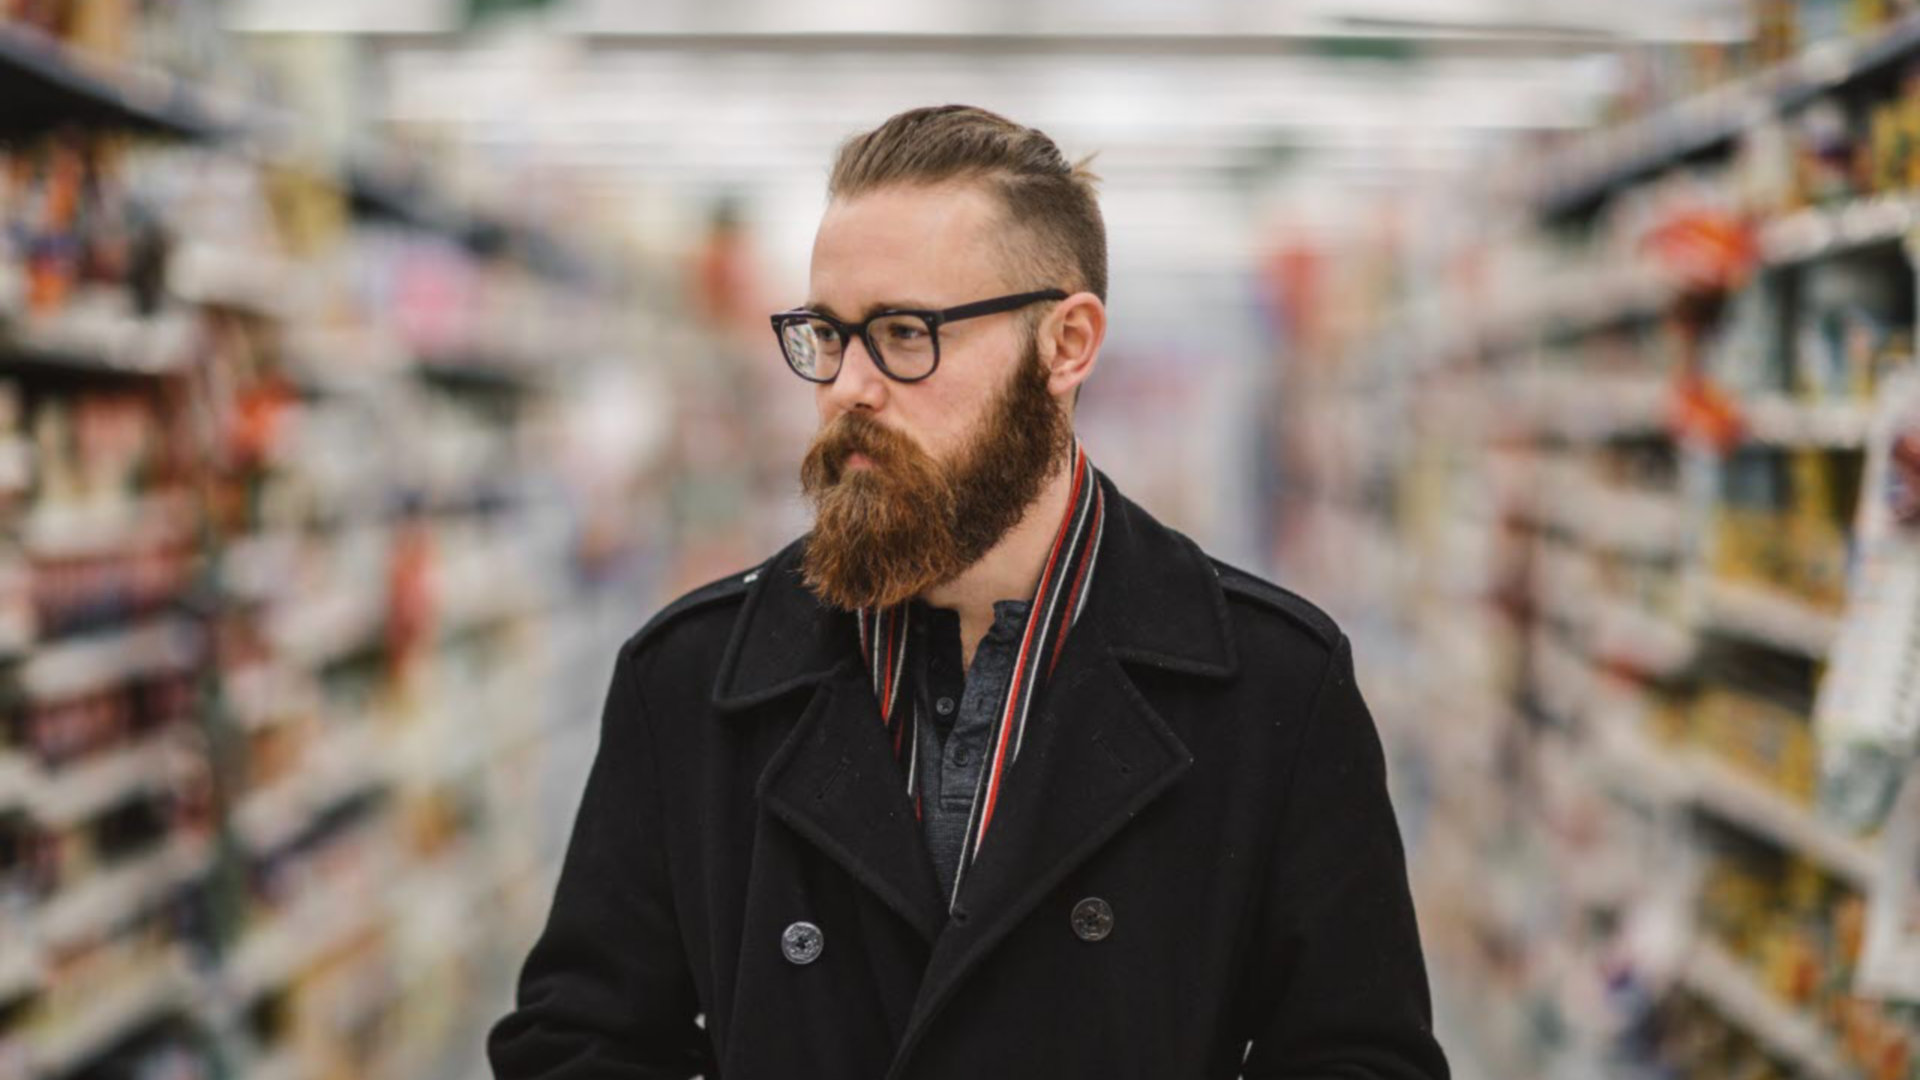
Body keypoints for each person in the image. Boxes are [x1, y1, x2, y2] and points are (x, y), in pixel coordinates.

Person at [486, 104, 1450, 1080]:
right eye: (828, 333)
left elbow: (1360, 1060)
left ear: (1066, 345)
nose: (846, 388)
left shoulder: (1272, 689)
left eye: (905, 333)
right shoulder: (692, 683)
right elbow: (575, 1045)